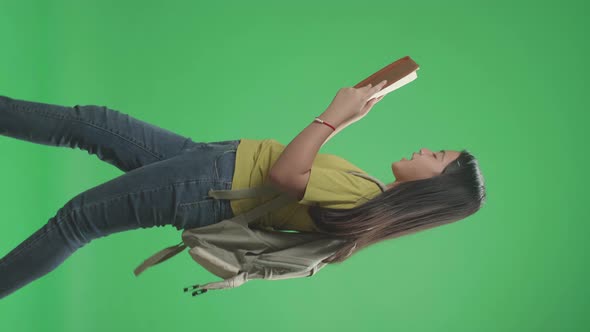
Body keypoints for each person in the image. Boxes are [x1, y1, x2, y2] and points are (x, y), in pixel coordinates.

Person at [0, 83, 485, 299]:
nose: (426, 149)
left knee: (77, 221)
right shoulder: (370, 196)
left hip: (207, 185)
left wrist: (332, 113)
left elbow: (285, 177)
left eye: (437, 156)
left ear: (432, 187)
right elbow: (301, 170)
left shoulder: (363, 199)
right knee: (93, 124)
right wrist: (343, 122)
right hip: (208, 165)